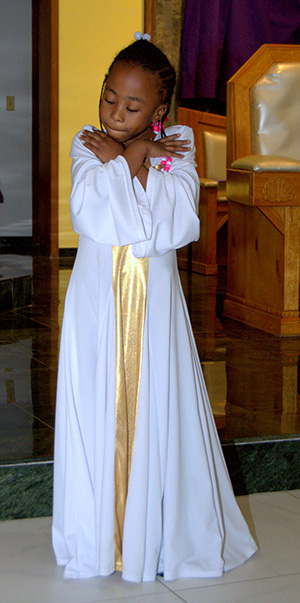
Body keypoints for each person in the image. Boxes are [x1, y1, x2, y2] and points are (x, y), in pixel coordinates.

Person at [52, 32, 258, 583]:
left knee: (157, 406)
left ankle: (161, 536)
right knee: (97, 402)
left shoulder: (183, 144)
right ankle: (98, 537)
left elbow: (167, 228)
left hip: (156, 307)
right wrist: (136, 155)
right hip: (96, 304)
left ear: (159, 110)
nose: (115, 113)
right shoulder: (85, 142)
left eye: (133, 106)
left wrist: (128, 158)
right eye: (108, 97)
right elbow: (96, 216)